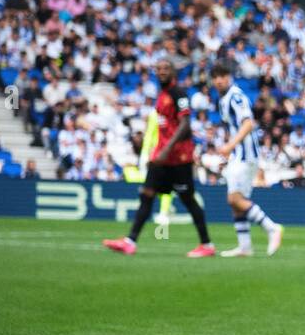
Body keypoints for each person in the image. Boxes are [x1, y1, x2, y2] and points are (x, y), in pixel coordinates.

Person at [103, 59, 215, 258]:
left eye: (166, 68)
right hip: (162, 159)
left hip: (179, 158)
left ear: (173, 72)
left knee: (188, 200)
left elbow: (185, 124)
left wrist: (165, 151)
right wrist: (155, 153)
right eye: (159, 69)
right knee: (146, 194)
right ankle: (130, 242)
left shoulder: (178, 94)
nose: (161, 71)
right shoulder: (161, 95)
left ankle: (206, 244)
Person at [210, 61, 283, 258]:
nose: (218, 81)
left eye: (222, 76)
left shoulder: (235, 96)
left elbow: (248, 124)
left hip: (245, 154)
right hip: (238, 155)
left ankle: (272, 228)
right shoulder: (224, 99)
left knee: (234, 198)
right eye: (215, 77)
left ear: (229, 78)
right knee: (236, 201)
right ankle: (245, 246)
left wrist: (230, 146)